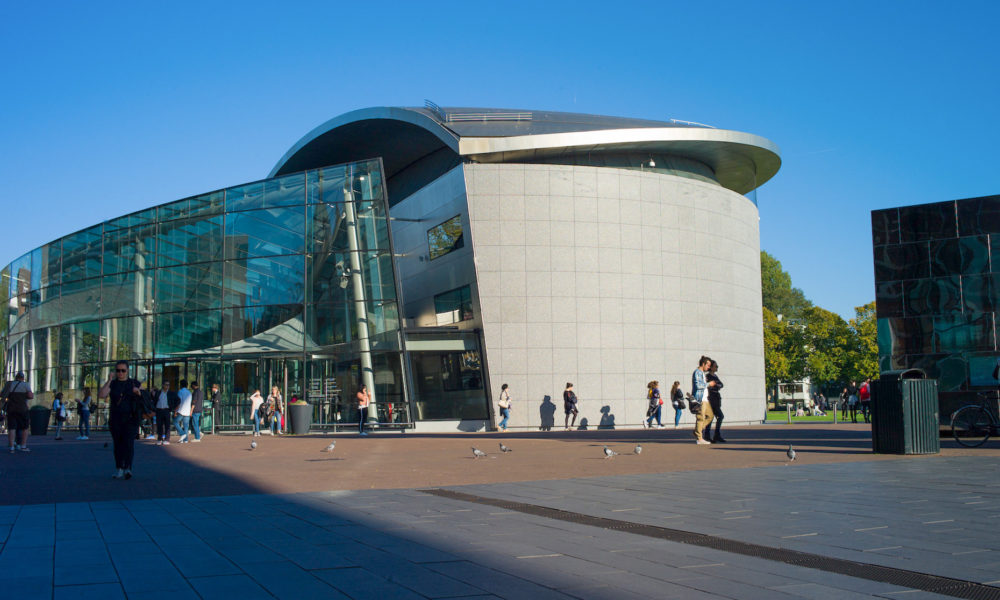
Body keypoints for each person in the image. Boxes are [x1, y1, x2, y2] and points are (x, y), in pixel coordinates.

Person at [99, 361, 141, 479]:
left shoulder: (133, 383)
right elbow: (102, 395)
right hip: (116, 418)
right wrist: (109, 380)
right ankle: (119, 468)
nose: (120, 373)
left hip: (131, 418)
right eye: (118, 370)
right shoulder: (113, 384)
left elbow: (143, 395)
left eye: (123, 370)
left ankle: (128, 468)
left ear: (127, 371)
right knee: (118, 444)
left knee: (129, 443)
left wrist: (138, 392)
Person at [2, 372, 34, 453]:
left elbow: (2, 395)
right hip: (22, 409)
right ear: (23, 378)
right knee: (25, 427)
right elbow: (30, 396)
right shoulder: (25, 385)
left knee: (11, 428)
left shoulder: (9, 384)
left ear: (16, 377)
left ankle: (12, 447)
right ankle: (23, 446)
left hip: (11, 409)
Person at [692, 356, 716, 445]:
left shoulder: (702, 373)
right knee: (700, 418)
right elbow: (698, 386)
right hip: (700, 398)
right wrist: (709, 384)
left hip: (705, 398)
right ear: (703, 364)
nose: (709, 367)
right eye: (708, 365)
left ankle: (697, 431)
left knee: (710, 416)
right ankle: (699, 438)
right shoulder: (697, 372)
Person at [704, 360, 725, 443]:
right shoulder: (708, 376)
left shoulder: (715, 376)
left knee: (718, 416)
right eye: (715, 366)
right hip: (711, 398)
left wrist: (716, 384)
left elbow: (721, 385)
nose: (717, 367)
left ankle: (716, 434)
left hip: (716, 399)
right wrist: (715, 385)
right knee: (712, 417)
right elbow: (708, 386)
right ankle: (708, 435)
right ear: (711, 367)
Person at [154, 381, 176, 445]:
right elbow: (154, 401)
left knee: (167, 425)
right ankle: (159, 439)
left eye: (168, 385)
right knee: (159, 425)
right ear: (163, 385)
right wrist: (154, 409)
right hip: (159, 410)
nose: (167, 386)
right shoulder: (158, 392)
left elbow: (177, 400)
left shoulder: (171, 393)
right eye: (166, 385)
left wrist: (173, 408)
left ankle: (167, 439)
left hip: (166, 410)